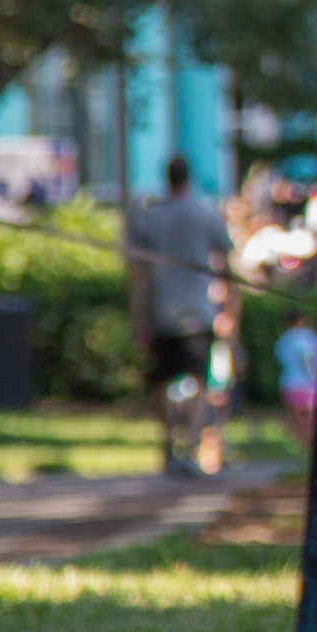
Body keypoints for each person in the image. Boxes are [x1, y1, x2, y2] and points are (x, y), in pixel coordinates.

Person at [126, 154, 236, 476]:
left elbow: (138, 275)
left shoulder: (150, 218)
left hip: (162, 312)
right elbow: (228, 268)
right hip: (199, 312)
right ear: (189, 179)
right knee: (201, 382)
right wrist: (230, 312)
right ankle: (188, 445)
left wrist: (137, 317)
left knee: (161, 381)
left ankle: (169, 442)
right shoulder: (207, 215)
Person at [273, 312, 317, 451]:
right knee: (310, 420)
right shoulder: (306, 337)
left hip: (288, 384)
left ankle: (300, 446)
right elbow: (307, 358)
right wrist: (314, 377)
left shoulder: (284, 339)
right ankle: (310, 447)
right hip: (307, 385)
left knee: (295, 420)